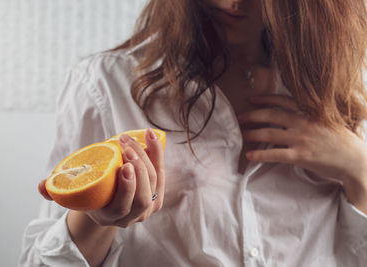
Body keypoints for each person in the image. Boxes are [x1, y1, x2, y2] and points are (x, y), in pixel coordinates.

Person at [19, 0, 367, 266]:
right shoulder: (106, 85)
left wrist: (359, 168)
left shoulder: (350, 81)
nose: (231, 2)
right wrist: (97, 220)